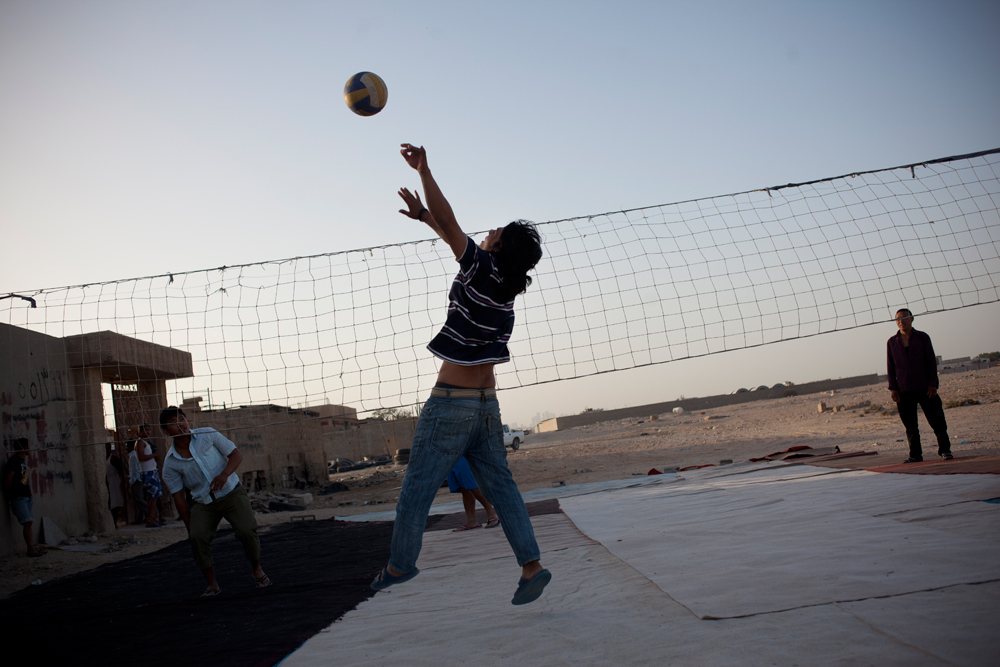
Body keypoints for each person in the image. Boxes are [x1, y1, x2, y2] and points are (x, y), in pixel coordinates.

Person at [371, 143, 551, 606]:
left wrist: (425, 170)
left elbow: (452, 225)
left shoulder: (481, 265)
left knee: (416, 490)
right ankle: (531, 567)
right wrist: (425, 219)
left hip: (450, 403)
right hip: (486, 406)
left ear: (497, 248)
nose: (488, 231)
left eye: (495, 231)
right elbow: (448, 229)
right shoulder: (505, 285)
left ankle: (400, 565)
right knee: (503, 489)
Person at [159, 406, 270, 597]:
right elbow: (179, 500)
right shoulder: (170, 464)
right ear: (166, 431)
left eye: (182, 418)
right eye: (173, 422)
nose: (180, 423)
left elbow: (236, 455)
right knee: (197, 538)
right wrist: (190, 527)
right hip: (204, 503)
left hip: (231, 492)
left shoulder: (207, 434)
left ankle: (257, 569)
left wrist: (224, 475)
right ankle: (212, 584)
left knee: (246, 529)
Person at [887, 308, 953, 463]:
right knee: (910, 427)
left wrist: (932, 384)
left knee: (937, 422)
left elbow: (931, 361)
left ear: (912, 319)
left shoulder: (922, 338)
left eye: (904, 318)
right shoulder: (892, 342)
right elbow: (890, 367)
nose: (901, 321)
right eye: (897, 319)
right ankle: (915, 455)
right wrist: (893, 388)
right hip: (904, 389)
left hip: (924, 387)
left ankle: (945, 450)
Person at [3, 438, 43, 557]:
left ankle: (32, 548)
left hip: (26, 496)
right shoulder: (14, 461)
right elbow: (9, 479)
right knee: (28, 521)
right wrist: (13, 493)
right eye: (28, 446)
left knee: (29, 522)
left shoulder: (21, 461)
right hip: (19, 497)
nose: (29, 449)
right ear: (24, 447)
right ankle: (30, 549)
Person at [447, 456, 500, 531]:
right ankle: (471, 521)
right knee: (463, 488)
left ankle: (492, 513)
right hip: (449, 455)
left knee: (472, 485)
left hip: (462, 452)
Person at [135, 424, 164, 528]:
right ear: (140, 432)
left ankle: (154, 518)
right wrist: (155, 455)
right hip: (148, 472)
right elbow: (142, 457)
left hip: (153, 471)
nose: (147, 432)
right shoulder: (140, 443)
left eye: (149, 430)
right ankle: (150, 520)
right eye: (145, 430)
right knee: (153, 497)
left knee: (153, 497)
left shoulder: (147, 443)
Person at [126, 440, 147, 525]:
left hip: (137, 480)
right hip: (140, 479)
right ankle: (140, 518)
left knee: (138, 499)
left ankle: (151, 512)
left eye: (127, 446)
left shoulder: (133, 456)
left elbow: (134, 470)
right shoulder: (135, 455)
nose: (126, 448)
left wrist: (132, 480)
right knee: (139, 499)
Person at [105, 448, 125, 526]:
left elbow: (120, 470)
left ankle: (114, 521)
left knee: (115, 501)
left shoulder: (113, 459)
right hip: (107, 481)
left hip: (113, 481)